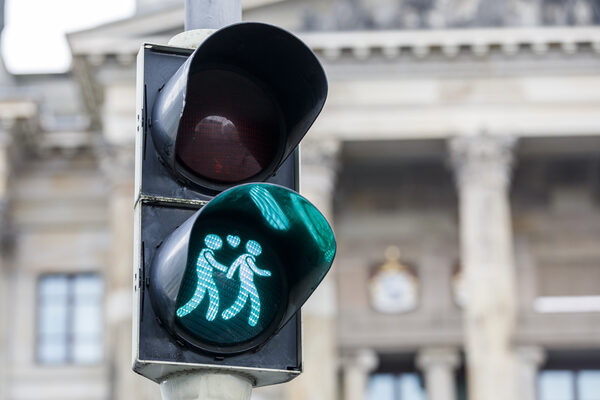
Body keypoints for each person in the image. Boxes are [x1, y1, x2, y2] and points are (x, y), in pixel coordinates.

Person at [176, 234, 228, 321]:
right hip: (204, 276)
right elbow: (213, 263)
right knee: (204, 295)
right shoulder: (206, 252)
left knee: (206, 295)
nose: (219, 245)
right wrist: (224, 268)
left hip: (206, 276)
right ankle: (183, 311)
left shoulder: (206, 252)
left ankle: (210, 314)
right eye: (218, 243)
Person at [222, 240, 271, 326]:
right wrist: (265, 273)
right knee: (254, 299)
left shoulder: (244, 257)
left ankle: (228, 314)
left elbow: (234, 265)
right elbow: (255, 269)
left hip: (245, 281)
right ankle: (252, 319)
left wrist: (229, 274)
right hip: (247, 281)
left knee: (242, 299)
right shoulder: (248, 258)